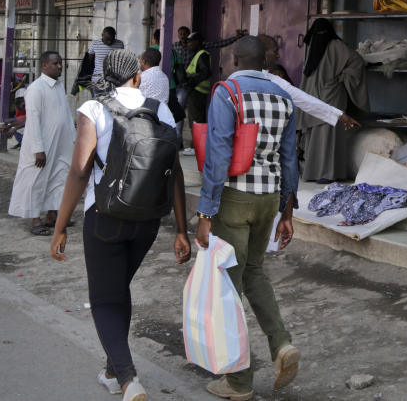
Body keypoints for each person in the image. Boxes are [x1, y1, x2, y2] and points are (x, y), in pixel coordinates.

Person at [49, 49, 191, 401]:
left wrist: (60, 226)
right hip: (148, 221)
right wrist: (183, 230)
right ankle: (113, 371)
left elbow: (80, 170)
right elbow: (176, 173)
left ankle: (129, 381)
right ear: (138, 77)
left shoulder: (94, 109)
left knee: (104, 298)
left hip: (106, 217)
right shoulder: (163, 112)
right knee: (118, 290)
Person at [195, 36, 301, 400]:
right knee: (253, 271)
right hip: (269, 198)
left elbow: (219, 151)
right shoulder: (283, 96)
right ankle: (281, 344)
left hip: (235, 198)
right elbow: (290, 159)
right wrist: (287, 211)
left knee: (227, 286)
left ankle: (238, 381)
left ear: (236, 59)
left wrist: (206, 211)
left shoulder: (227, 92)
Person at [7, 52, 75, 236]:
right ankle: (36, 220)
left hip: (60, 143)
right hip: (42, 144)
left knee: (59, 178)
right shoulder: (36, 88)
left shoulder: (59, 86)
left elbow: (66, 115)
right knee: (35, 181)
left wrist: (73, 138)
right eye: (55, 64)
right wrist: (39, 149)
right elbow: (34, 120)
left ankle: (52, 216)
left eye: (61, 63)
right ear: (44, 65)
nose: (60, 66)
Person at [297, 20, 369, 182]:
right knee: (314, 136)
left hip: (331, 96)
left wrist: (344, 77)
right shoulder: (312, 45)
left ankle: (328, 174)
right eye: (317, 33)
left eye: (322, 32)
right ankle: (313, 173)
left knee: (328, 136)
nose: (320, 36)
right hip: (313, 97)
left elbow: (357, 60)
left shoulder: (336, 45)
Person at [258, 34, 360, 131]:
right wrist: (339, 115)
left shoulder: (271, 79)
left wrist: (339, 114)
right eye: (275, 51)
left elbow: (306, 100)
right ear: (262, 52)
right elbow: (305, 100)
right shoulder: (272, 81)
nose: (278, 56)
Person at [181, 32, 212, 155]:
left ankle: (196, 148)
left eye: (190, 41)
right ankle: (198, 146)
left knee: (195, 120)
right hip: (197, 91)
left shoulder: (202, 54)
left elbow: (205, 72)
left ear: (197, 42)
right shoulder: (198, 54)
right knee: (197, 119)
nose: (188, 44)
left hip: (197, 91)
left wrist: (191, 82)